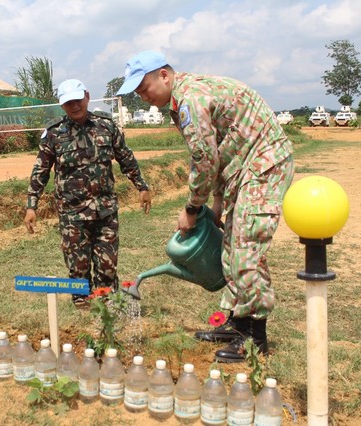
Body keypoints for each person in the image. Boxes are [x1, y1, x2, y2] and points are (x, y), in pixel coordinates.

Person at [116, 51, 293, 362]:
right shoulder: (186, 95)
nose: (143, 97)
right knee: (231, 245)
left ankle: (255, 338)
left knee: (245, 249)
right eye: (138, 93)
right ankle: (238, 326)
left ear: (164, 76)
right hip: (245, 168)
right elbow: (225, 145)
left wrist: (192, 208)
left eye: (144, 88)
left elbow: (205, 159)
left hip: (263, 167)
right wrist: (219, 200)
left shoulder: (190, 101)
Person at [24, 78, 152, 305]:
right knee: (77, 266)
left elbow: (125, 158)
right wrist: (31, 206)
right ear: (62, 105)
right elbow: (40, 171)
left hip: (106, 212)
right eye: (68, 103)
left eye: (78, 100)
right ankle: (81, 303)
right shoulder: (54, 133)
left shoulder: (106, 126)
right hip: (72, 214)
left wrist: (141, 186)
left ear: (87, 96)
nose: (75, 106)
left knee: (108, 265)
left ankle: (106, 304)